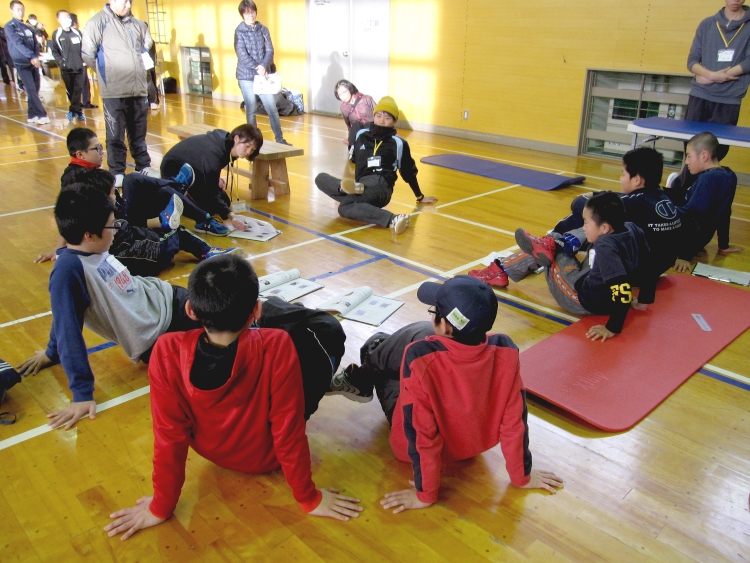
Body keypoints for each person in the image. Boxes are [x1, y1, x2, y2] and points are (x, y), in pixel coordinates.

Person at [103, 255, 362, 540]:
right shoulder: (276, 344)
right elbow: (288, 431)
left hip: (211, 451)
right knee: (322, 329)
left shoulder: (166, 350)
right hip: (266, 458)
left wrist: (160, 507)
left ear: (190, 310)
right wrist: (308, 498)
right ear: (256, 310)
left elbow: (169, 437)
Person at [328, 276, 563, 512]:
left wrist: (425, 494)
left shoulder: (419, 357)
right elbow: (515, 423)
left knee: (375, 344)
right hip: (471, 446)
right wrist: (522, 476)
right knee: (417, 333)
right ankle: (365, 370)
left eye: (434, 311)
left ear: (447, 326)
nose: (432, 316)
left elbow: (421, 434)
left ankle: (357, 379)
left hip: (413, 450)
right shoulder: (506, 351)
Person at [15, 184, 209, 429]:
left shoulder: (94, 249)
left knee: (236, 310)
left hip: (168, 299)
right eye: (111, 225)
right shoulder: (68, 271)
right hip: (163, 330)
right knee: (233, 338)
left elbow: (64, 316)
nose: (116, 230)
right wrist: (82, 394)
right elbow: (67, 327)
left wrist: (51, 352)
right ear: (88, 234)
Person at [476, 147, 680, 309]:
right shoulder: (664, 200)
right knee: (596, 222)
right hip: (647, 269)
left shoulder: (631, 204)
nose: (620, 179)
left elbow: (581, 205)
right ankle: (553, 243)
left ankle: (505, 266)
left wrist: (585, 202)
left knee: (583, 223)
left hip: (618, 276)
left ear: (637, 180)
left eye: (622, 174)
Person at [478, 192, 648, 342]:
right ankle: (551, 244)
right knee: (554, 243)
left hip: (578, 298)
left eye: (586, 222)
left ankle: (501, 269)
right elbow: (650, 264)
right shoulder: (632, 228)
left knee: (551, 250)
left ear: (604, 228)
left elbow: (622, 287)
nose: (584, 226)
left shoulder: (605, 246)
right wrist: (645, 298)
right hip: (594, 283)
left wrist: (612, 328)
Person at [315, 96, 438, 235]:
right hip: (362, 182)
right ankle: (347, 189)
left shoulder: (398, 143)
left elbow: (408, 172)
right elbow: (354, 160)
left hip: (381, 185)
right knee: (320, 179)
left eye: (387, 118)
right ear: (373, 117)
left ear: (395, 121)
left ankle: (391, 218)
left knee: (344, 207)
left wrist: (420, 196)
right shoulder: (361, 135)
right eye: (378, 116)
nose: (382, 120)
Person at [667, 0, 750, 202]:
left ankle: (683, 188)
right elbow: (692, 61)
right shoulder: (707, 24)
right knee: (692, 147)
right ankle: (682, 190)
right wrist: (711, 75)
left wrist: (722, 76)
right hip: (700, 95)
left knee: (716, 150)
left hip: (730, 97)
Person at [82, 0, 158, 178]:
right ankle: (117, 171)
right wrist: (108, 74)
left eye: (130, 1)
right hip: (114, 91)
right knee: (115, 134)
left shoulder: (139, 25)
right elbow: (87, 54)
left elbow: (146, 46)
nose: (128, 5)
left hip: (138, 89)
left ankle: (143, 165)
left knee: (139, 133)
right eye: (124, 1)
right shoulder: (96, 23)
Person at [160, 124, 265, 236]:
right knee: (210, 205)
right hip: (174, 172)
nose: (248, 152)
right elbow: (210, 190)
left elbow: (203, 164)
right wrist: (231, 216)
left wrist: (213, 176)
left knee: (224, 201)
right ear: (236, 138)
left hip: (193, 170)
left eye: (252, 149)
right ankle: (202, 222)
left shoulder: (225, 143)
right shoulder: (214, 153)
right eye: (247, 146)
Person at [674, 132, 744, 271]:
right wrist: (724, 245)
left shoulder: (708, 179)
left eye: (688, 156)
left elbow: (692, 217)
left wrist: (684, 256)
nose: (687, 162)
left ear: (704, 156)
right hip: (700, 236)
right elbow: (725, 212)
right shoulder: (728, 175)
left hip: (686, 238)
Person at [234, 0, 290, 145]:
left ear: (256, 12)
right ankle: (252, 142)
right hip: (246, 77)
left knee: (272, 107)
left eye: (252, 11)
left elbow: (270, 50)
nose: (250, 15)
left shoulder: (263, 29)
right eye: (247, 12)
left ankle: (280, 139)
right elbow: (242, 54)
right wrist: (257, 67)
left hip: (263, 76)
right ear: (242, 14)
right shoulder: (239, 32)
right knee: (251, 109)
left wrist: (264, 66)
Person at [4, 1, 49, 124]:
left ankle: (32, 114)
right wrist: (31, 56)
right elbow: (18, 44)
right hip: (22, 63)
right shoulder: (10, 26)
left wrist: (35, 56)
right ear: (11, 11)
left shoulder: (28, 27)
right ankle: (41, 114)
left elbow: (35, 43)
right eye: (18, 9)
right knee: (31, 89)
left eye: (22, 9)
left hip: (33, 62)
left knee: (36, 87)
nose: (21, 12)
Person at [51, 10, 85, 123]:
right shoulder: (57, 34)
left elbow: (83, 48)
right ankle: (78, 111)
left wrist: (84, 61)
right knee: (71, 90)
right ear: (58, 20)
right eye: (64, 17)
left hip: (79, 67)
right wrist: (61, 62)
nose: (67, 19)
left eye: (68, 17)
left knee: (78, 90)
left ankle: (72, 110)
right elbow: (55, 51)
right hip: (66, 68)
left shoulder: (77, 33)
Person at [334, 79, 375, 144]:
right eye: (339, 94)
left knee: (368, 124)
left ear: (350, 88)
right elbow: (349, 125)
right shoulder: (343, 108)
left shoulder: (366, 99)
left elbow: (380, 114)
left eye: (344, 92)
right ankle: (352, 150)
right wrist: (350, 138)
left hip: (372, 131)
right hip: (357, 133)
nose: (342, 96)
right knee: (356, 125)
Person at [70, 13, 97, 109]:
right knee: (81, 84)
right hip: (77, 64)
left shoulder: (76, 33)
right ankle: (83, 102)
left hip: (77, 63)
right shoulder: (76, 33)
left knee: (79, 84)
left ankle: (82, 102)